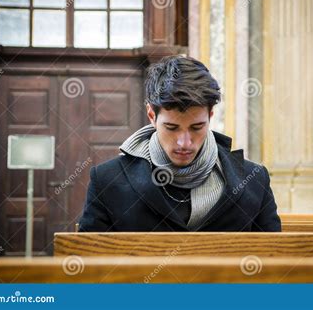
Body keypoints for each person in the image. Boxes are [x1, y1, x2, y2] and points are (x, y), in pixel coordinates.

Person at [78, 55, 281, 232]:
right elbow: (90, 267)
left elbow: (274, 266)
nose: (184, 143)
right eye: (172, 128)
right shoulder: (107, 181)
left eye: (196, 127)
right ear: (151, 115)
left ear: (210, 116)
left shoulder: (255, 180)